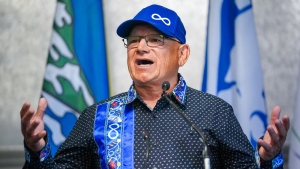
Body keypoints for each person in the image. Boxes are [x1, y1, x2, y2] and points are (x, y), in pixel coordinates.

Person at [20, 4, 289, 169]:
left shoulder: (214, 112)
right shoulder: (97, 116)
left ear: (182, 54)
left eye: (155, 39)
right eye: (134, 41)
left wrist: (268, 160)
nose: (141, 47)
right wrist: (36, 150)